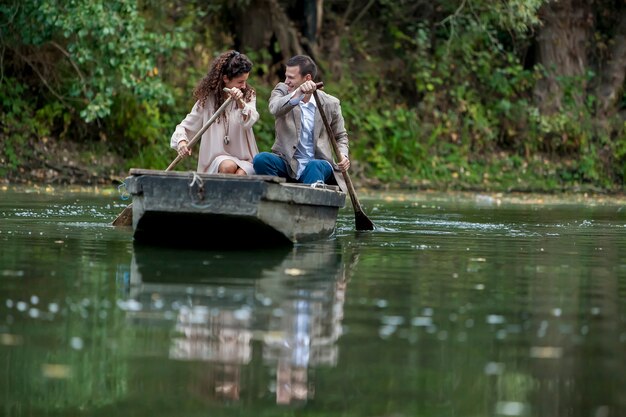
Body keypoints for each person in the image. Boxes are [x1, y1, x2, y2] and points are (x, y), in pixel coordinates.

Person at [252, 55, 350, 191]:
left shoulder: (330, 103)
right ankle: (274, 197)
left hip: (318, 165)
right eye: (286, 76)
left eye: (291, 77)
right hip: (288, 163)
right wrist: (298, 94)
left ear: (307, 78)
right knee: (261, 159)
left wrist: (343, 156)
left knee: (314, 166)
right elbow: (275, 108)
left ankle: (309, 203)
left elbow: (341, 136)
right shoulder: (281, 90)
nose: (286, 81)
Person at [171, 50, 259, 175]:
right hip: (217, 161)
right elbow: (184, 127)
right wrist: (182, 142)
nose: (244, 86)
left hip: (246, 160)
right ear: (226, 79)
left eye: (245, 81)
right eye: (240, 82)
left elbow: (250, 120)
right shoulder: (208, 100)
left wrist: (240, 102)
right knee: (228, 166)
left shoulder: (248, 95)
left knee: (241, 173)